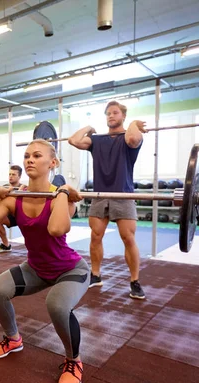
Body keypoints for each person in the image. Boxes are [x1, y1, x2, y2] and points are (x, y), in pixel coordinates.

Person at [0, 139, 90, 383]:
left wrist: (61, 194)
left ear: (53, 162)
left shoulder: (61, 196)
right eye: (26, 156)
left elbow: (57, 228)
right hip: (36, 269)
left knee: (57, 305)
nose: (29, 160)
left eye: (37, 156)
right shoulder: (16, 198)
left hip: (71, 270)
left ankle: (74, 360)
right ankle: (13, 339)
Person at [68, 100, 145, 300]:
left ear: (123, 116)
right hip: (99, 195)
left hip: (123, 195)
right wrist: (88, 128)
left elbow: (134, 140)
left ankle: (135, 281)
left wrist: (135, 123)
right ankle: (95, 275)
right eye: (108, 113)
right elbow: (73, 140)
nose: (111, 116)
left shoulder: (128, 136)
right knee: (95, 236)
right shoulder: (97, 140)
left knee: (128, 238)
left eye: (115, 113)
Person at [0, 165, 26, 254]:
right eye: (10, 174)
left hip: (23, 216)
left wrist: (18, 193)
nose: (11, 176)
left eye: (14, 174)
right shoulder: (4, 188)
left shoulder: (25, 188)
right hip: (10, 217)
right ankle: (6, 245)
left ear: (19, 176)